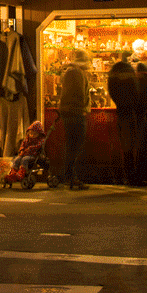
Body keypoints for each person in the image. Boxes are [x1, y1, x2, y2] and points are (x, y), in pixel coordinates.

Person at [56, 49, 92, 190]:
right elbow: (79, 94)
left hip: (69, 112)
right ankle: (71, 177)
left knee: (71, 145)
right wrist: (82, 109)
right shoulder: (77, 73)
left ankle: (69, 176)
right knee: (75, 146)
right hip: (75, 113)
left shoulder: (71, 72)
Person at [105, 50, 141, 185]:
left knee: (122, 145)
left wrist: (119, 103)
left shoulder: (114, 72)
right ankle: (132, 175)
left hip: (120, 110)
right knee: (132, 145)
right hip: (131, 111)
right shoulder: (130, 72)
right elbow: (136, 90)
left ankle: (120, 175)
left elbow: (111, 90)